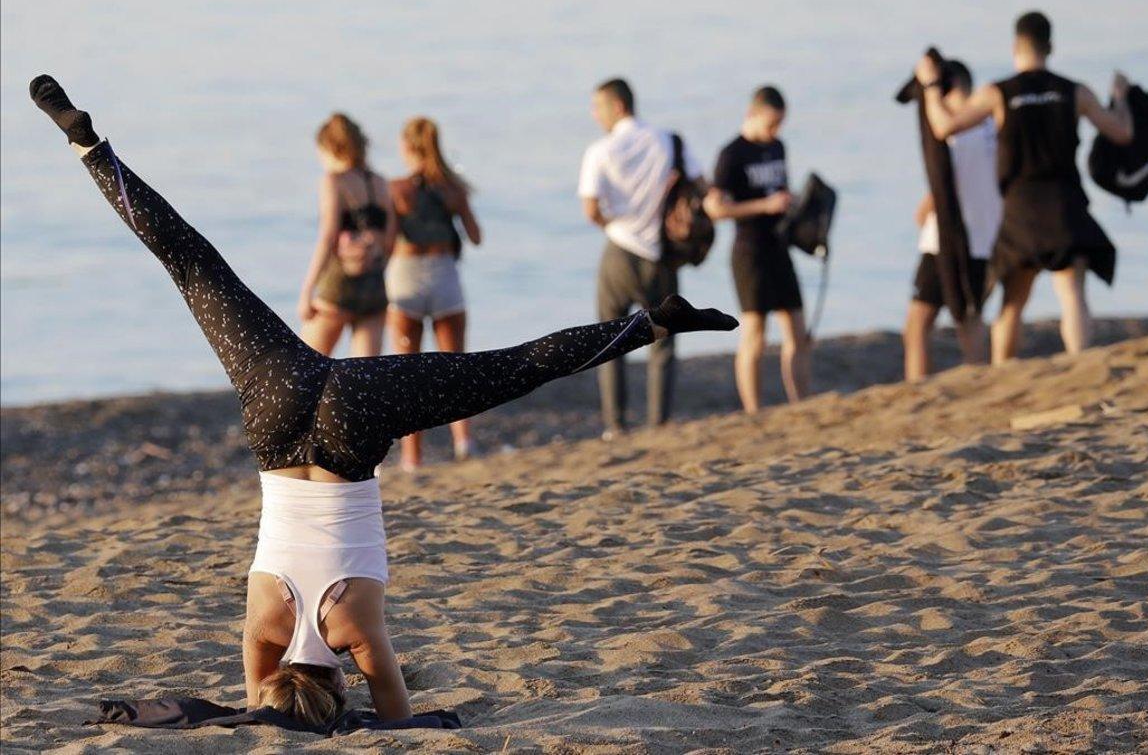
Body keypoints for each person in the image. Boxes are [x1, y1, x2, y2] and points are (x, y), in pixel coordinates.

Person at [31, 75, 737, 727]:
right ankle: (90, 147)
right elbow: (253, 707)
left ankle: (648, 322)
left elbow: (394, 718)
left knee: (510, 370)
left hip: (353, 418)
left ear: (337, 687)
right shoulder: (266, 628)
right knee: (193, 264)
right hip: (277, 416)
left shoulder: (353, 631)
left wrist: (353, 714)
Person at [916, 11, 1133, 362]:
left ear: (1016, 46)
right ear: (1050, 46)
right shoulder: (1073, 91)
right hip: (1064, 203)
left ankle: (1004, 371)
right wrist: (1120, 97)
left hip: (1019, 209)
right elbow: (1122, 133)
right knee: (1072, 293)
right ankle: (1080, 364)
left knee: (1012, 303)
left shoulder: (997, 93)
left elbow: (945, 127)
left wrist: (929, 86)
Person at [578, 77, 703, 438]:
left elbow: (590, 208)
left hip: (619, 250)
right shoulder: (668, 141)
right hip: (660, 253)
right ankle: (659, 420)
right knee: (663, 340)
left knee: (609, 338)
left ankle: (616, 424)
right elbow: (700, 183)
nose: (594, 114)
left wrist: (609, 224)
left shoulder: (600, 150)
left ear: (617, 106)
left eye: (597, 106)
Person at [704, 86, 808, 413]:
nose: (775, 131)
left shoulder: (778, 147)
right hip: (749, 251)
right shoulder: (731, 154)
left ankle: (800, 403)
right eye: (771, 124)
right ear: (752, 114)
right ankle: (753, 410)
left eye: (779, 124)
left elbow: (780, 191)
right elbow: (715, 209)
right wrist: (764, 205)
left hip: (780, 246)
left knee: (797, 328)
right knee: (755, 333)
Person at [387, 117, 482, 471]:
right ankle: (464, 442)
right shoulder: (453, 189)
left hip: (405, 278)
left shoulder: (395, 189)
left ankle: (413, 458)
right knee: (455, 365)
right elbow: (475, 236)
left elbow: (387, 241)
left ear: (408, 147)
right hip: (444, 276)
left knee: (408, 371)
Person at [903, 61, 1001, 381]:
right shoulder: (991, 125)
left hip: (945, 238)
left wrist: (922, 211)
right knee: (970, 320)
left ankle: (917, 388)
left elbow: (944, 183)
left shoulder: (958, 129)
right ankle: (979, 379)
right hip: (986, 238)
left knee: (918, 324)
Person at [296, 114, 395, 357]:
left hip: (339, 284)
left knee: (304, 366)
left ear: (329, 148)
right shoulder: (380, 183)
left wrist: (307, 292)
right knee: (365, 377)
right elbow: (390, 239)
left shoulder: (333, 181)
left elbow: (328, 237)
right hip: (374, 285)